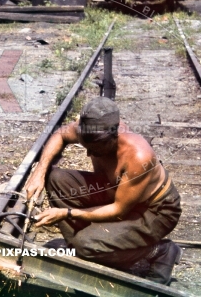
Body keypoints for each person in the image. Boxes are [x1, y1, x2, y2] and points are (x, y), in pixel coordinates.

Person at [25, 97, 182, 285]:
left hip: (154, 211)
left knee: (84, 245)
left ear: (113, 138)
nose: (89, 155)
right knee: (55, 178)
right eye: (86, 148)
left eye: (95, 150)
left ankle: (159, 251)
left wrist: (65, 213)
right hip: (114, 191)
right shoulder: (91, 129)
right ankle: (92, 246)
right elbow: (60, 134)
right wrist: (39, 172)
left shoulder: (138, 156)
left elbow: (118, 210)